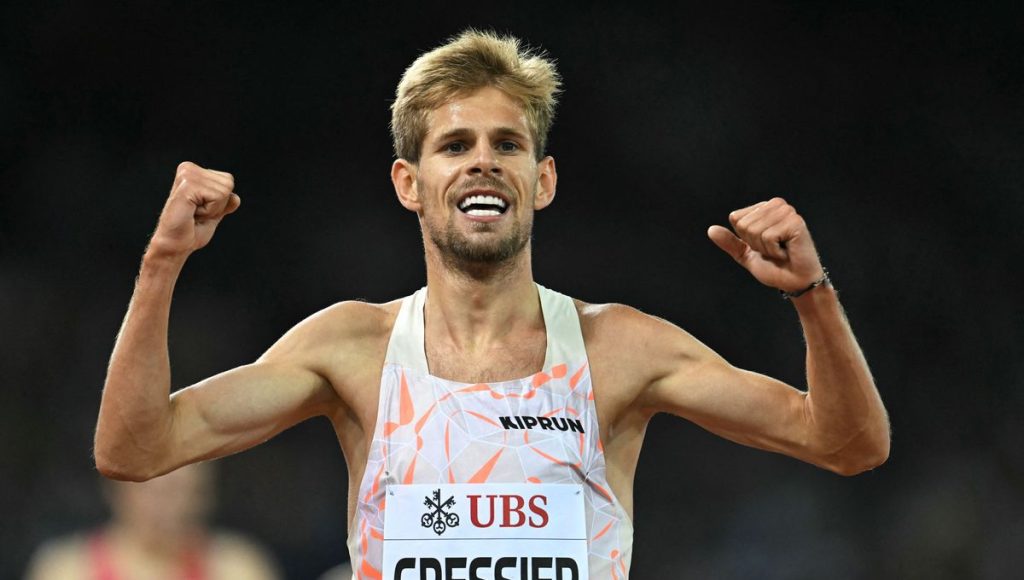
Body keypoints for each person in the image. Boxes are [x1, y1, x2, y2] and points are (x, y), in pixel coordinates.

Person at [94, 29, 889, 579]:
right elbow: (135, 451)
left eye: (507, 144)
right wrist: (161, 265)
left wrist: (812, 299)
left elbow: (847, 444)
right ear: (410, 184)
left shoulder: (618, 350)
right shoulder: (353, 350)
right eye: (455, 145)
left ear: (542, 180)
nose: (483, 163)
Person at [25, 463, 280, 580]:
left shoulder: (236, 568)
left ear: (203, 494)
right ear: (117, 490)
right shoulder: (66, 570)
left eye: (179, 491)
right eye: (153, 492)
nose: (166, 508)